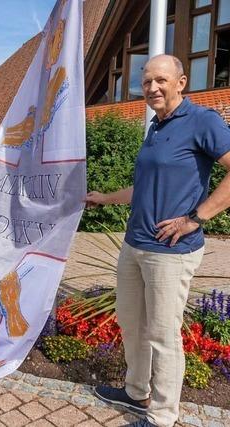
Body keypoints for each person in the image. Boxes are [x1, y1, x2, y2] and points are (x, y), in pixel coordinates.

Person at [86, 55, 230, 427]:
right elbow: (143, 188)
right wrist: (105, 197)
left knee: (163, 333)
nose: (152, 88)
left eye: (161, 80)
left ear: (181, 82)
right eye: (147, 81)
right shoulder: (155, 127)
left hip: (170, 251)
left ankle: (163, 416)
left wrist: (196, 219)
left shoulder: (203, 121)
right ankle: (137, 391)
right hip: (134, 244)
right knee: (131, 322)